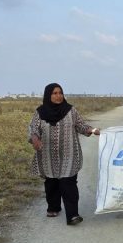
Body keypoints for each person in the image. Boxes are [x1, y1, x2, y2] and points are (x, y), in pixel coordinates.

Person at [29, 83, 100, 226]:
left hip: (69, 153)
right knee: (51, 183)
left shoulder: (70, 110)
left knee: (69, 184)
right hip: (47, 155)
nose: (58, 96)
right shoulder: (40, 112)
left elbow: (81, 125)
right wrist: (35, 139)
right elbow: (34, 129)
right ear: (48, 95)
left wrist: (92, 130)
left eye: (60, 93)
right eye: (54, 93)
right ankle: (53, 207)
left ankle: (72, 215)